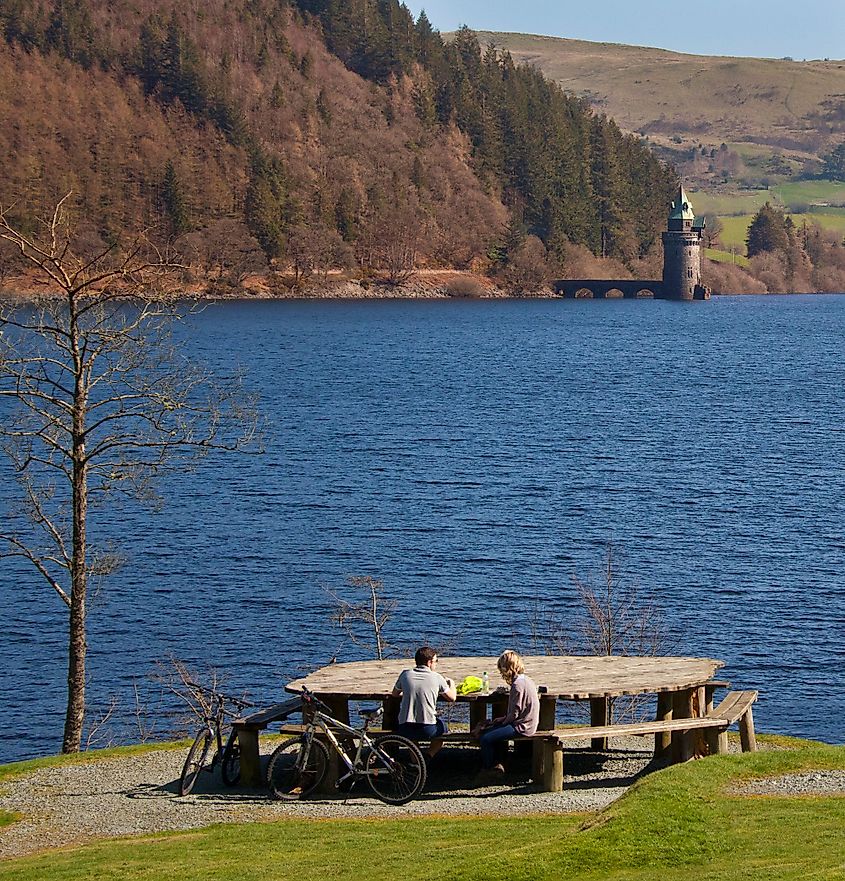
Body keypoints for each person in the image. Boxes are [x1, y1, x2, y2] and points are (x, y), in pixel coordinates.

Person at [477, 650, 540, 779]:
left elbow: (514, 714)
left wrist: (500, 722)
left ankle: (489, 767)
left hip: (522, 726)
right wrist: (500, 720)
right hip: (528, 722)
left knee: (485, 737)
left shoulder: (517, 685)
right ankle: (498, 762)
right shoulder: (527, 680)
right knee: (493, 729)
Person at [391, 646, 457, 756]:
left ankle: (416, 763)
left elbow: (394, 694)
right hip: (428, 728)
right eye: (436, 661)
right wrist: (452, 683)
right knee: (443, 730)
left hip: (405, 727)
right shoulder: (437, 677)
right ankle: (428, 756)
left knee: (411, 740)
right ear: (429, 662)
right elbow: (452, 698)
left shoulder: (405, 674)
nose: (436, 664)